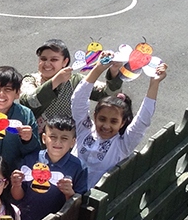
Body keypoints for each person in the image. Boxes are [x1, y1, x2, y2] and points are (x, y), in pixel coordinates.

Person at [72, 52, 168, 186]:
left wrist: (154, 83)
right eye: (102, 119)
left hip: (93, 203)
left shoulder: (123, 145)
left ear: (123, 123)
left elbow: (143, 120)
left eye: (114, 121)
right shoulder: (85, 130)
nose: (106, 126)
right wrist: (98, 68)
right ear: (95, 116)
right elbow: (78, 101)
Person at [19, 39, 123, 134]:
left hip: (71, 141)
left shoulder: (75, 81)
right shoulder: (30, 79)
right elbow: (29, 101)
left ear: (65, 62)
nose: (47, 63)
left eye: (54, 60)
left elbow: (108, 95)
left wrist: (114, 71)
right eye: (43, 59)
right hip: (39, 142)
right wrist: (55, 81)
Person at [11, 116, 88, 220]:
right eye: (53, 137)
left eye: (64, 138)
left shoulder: (79, 167)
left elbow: (78, 206)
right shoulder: (30, 160)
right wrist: (16, 184)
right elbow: (17, 197)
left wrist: (70, 194)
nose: (58, 142)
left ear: (73, 142)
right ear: (44, 138)